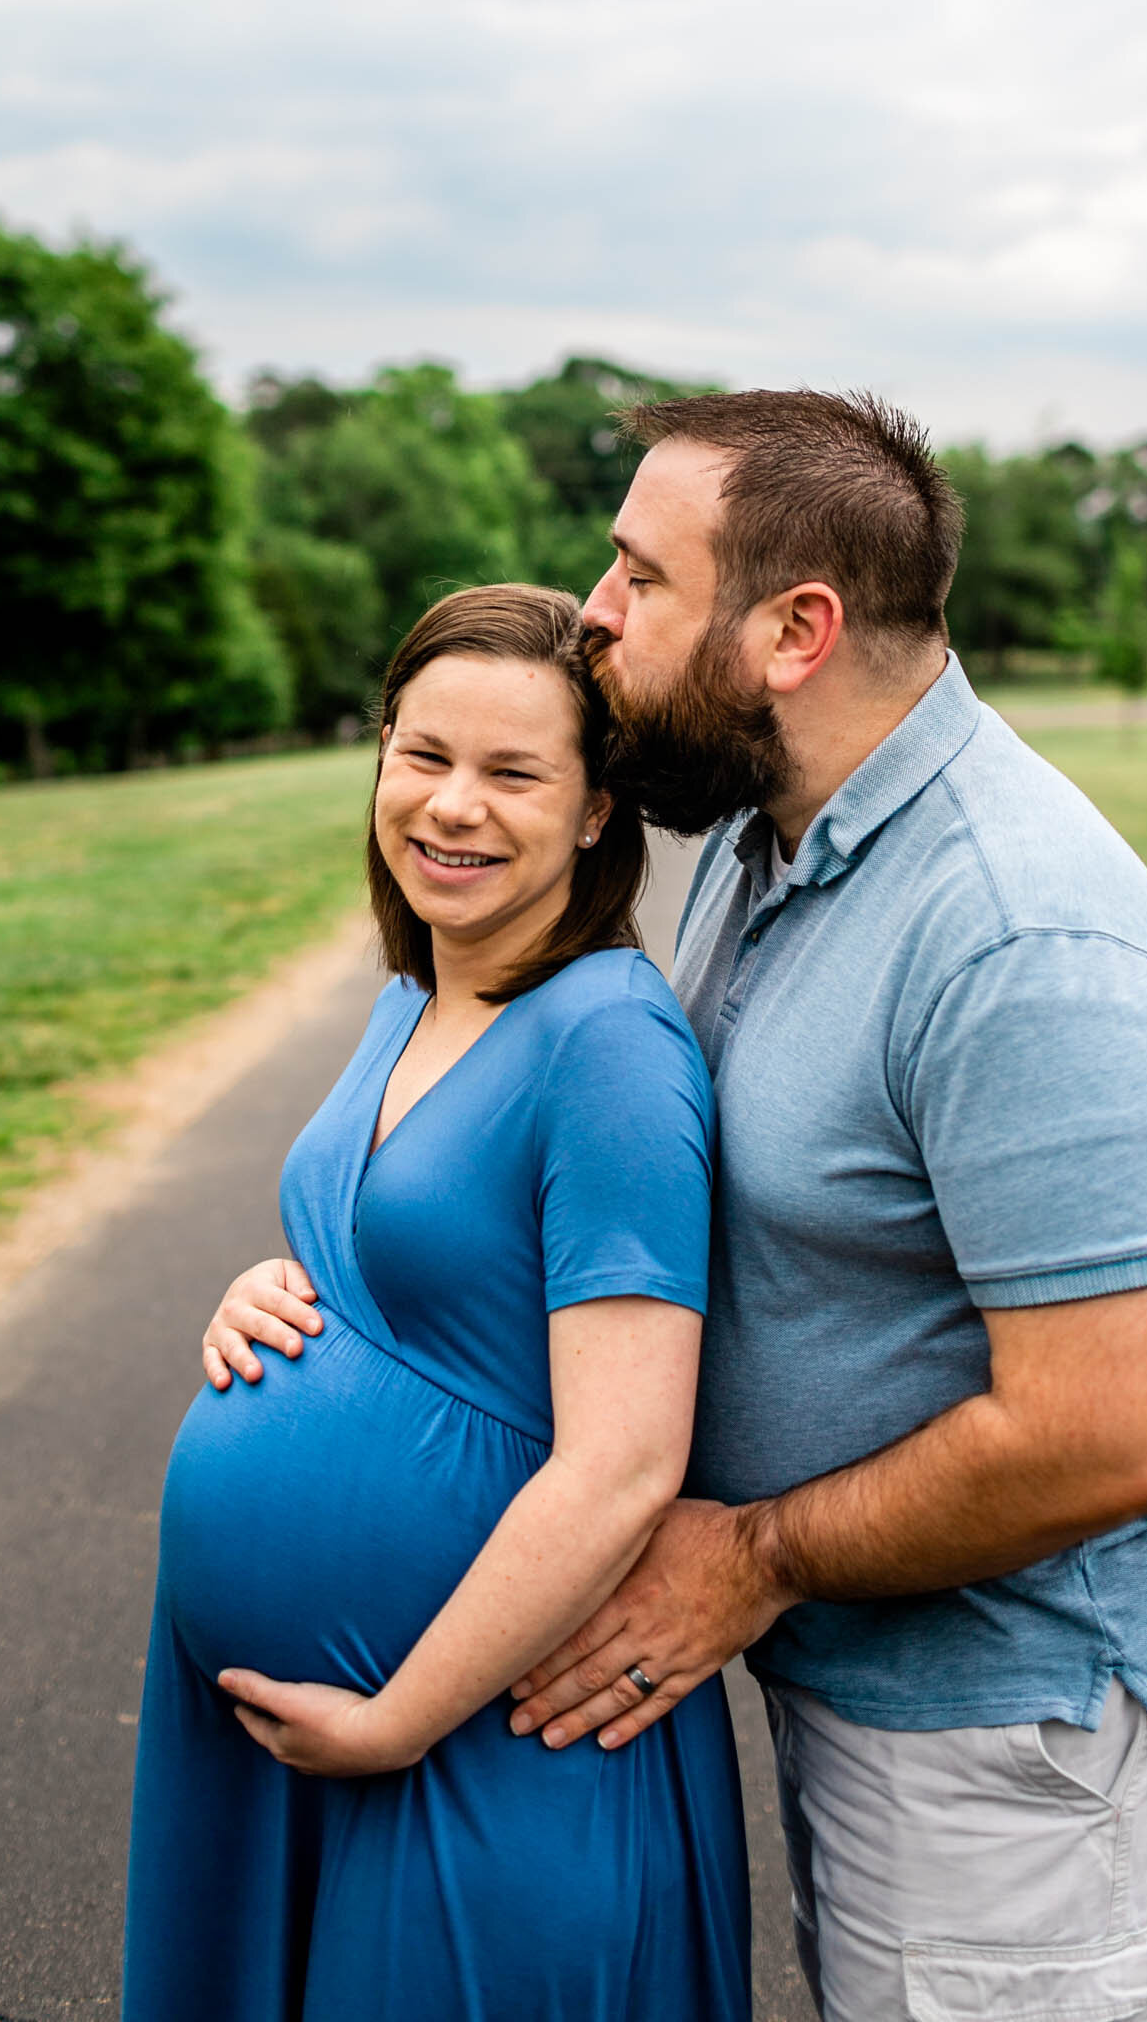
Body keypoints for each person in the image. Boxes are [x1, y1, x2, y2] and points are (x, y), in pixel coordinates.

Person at [212, 394, 1147, 2022]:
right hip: (873, 1690)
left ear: (793, 632)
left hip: (1029, 1731)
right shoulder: (762, 842)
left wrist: (761, 1555)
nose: (594, 609)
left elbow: (1112, 1430)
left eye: (640, 576)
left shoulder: (1019, 940)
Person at [122, 584, 751, 2022]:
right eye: (422, 755)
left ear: (597, 813)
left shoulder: (608, 1047)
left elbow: (625, 1459)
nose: (451, 808)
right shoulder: (419, 989)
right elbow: (414, 1265)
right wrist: (278, 1287)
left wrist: (395, 1723)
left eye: (512, 772)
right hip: (310, 1747)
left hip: (479, 1739)